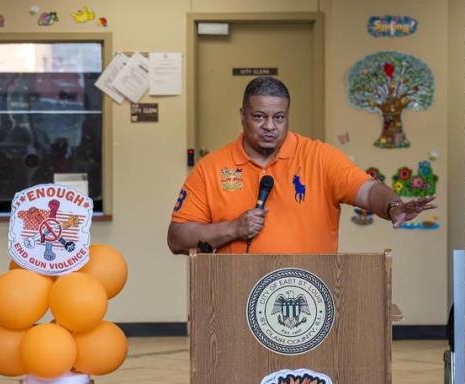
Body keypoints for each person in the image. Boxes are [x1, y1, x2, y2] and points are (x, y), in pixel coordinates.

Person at [167, 76, 435, 254]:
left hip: (311, 296)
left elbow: (367, 190)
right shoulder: (211, 167)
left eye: (279, 117)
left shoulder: (319, 156)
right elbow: (177, 238)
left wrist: (393, 206)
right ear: (242, 116)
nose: (270, 126)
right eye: (259, 116)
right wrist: (233, 228)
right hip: (237, 297)